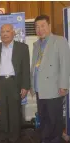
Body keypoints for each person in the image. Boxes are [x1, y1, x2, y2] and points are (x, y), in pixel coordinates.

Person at [30, 14, 70, 143]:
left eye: (43, 26)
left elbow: (65, 64)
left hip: (54, 88)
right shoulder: (36, 44)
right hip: (39, 89)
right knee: (44, 118)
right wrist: (32, 85)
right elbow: (34, 67)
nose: (40, 29)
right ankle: (45, 140)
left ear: (49, 26)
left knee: (54, 120)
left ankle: (54, 140)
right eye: (37, 27)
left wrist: (64, 85)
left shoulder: (59, 40)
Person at [0, 24, 30, 143]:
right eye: (2, 32)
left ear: (13, 33)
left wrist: (25, 86)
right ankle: (4, 134)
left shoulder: (22, 48)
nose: (5, 34)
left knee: (14, 111)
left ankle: (14, 136)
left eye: (7, 31)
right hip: (0, 82)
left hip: (14, 82)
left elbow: (26, 69)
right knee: (3, 111)